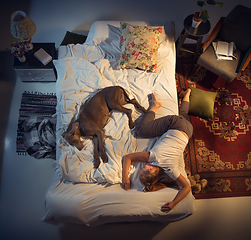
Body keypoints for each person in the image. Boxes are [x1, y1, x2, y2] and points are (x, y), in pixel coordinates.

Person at [122, 88, 193, 213]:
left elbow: (186, 187)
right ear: (151, 169)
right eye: (143, 169)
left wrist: (174, 203)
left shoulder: (171, 170)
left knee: (182, 116)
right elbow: (127, 158)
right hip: (175, 124)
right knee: (140, 131)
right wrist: (125, 179)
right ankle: (154, 106)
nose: (143, 166)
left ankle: (187, 94)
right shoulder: (153, 158)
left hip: (188, 131)